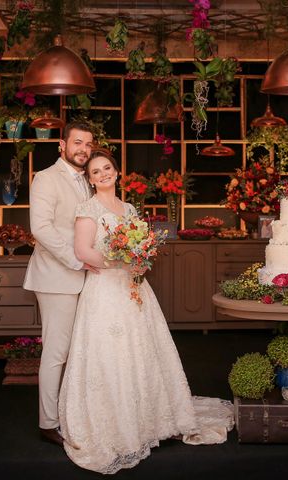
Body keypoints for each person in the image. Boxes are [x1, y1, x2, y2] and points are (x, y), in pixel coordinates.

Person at [58, 151, 234, 475]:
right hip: (104, 293)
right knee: (111, 355)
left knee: (142, 352)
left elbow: (137, 246)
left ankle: (147, 419)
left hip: (134, 288)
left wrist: (138, 260)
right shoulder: (87, 210)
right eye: (95, 172)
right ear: (90, 179)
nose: (102, 175)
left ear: (116, 171)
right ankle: (116, 424)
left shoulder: (128, 209)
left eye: (106, 168)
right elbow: (83, 251)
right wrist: (118, 261)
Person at [23, 121, 98, 447]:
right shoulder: (46, 178)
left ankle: (73, 412)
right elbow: (41, 229)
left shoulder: (88, 181)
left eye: (88, 144)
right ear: (62, 146)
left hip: (85, 277)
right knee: (56, 352)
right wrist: (76, 259)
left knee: (78, 350)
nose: (83, 149)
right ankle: (48, 423)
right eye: (77, 142)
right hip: (56, 278)